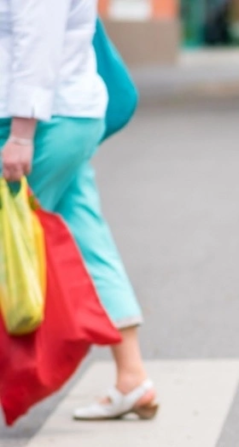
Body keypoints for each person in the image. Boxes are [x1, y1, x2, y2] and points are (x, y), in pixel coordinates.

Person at [1, 0, 157, 420]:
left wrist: (21, 136)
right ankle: (132, 377)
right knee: (88, 241)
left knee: (7, 241)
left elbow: (38, 47)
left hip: (43, 123)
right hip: (66, 119)